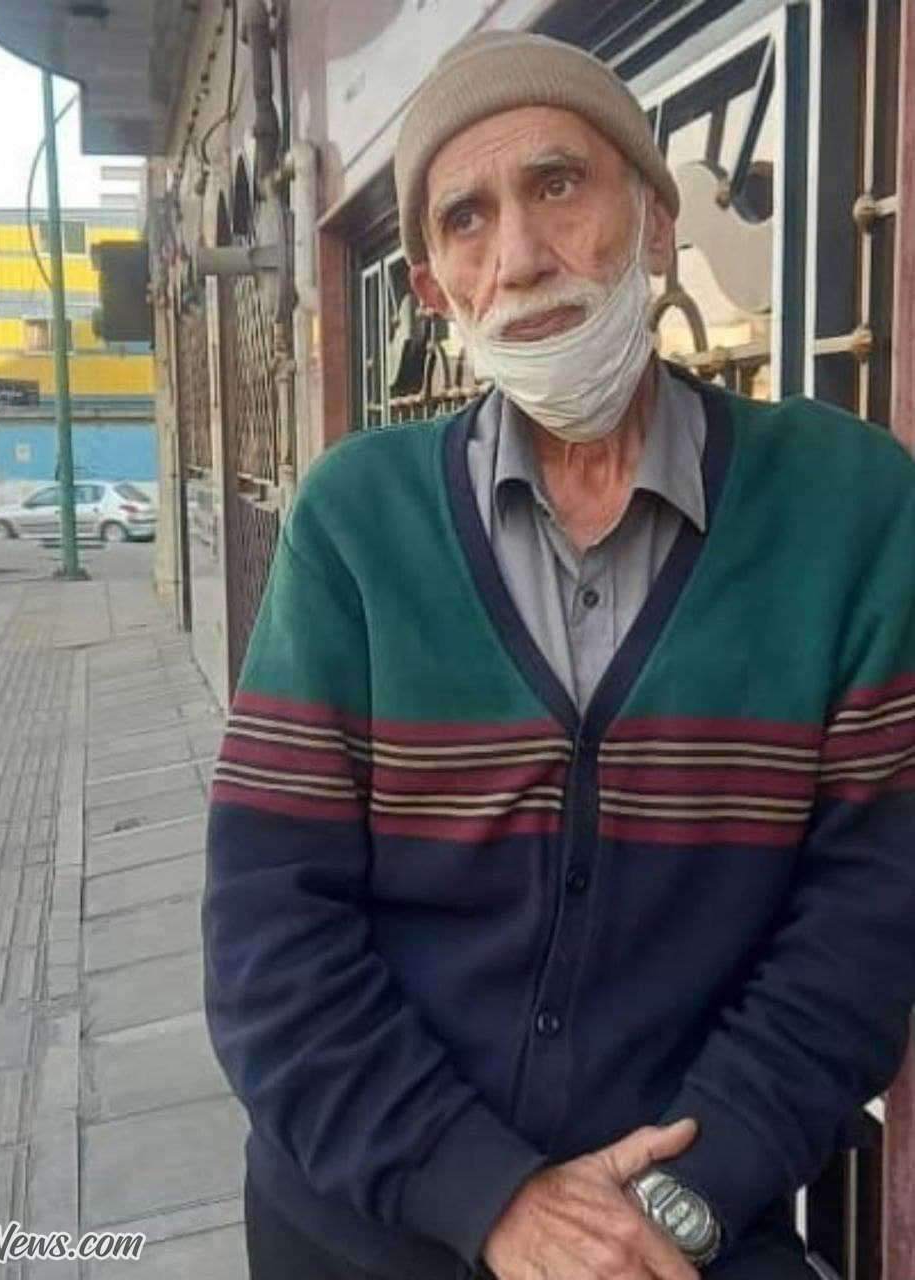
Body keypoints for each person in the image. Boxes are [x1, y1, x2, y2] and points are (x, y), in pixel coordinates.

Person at [203, 30, 915, 1280]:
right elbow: (271, 931)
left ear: (654, 221)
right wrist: (492, 1197)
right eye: (465, 220)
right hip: (368, 1220)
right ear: (433, 289)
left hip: (684, 1227)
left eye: (556, 184)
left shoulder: (846, 507)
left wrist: (673, 1205)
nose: (520, 256)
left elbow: (869, 918)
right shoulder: (355, 520)